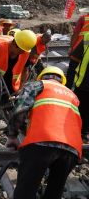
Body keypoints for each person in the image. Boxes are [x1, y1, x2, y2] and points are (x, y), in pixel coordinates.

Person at [6, 66, 82, 199]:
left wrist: (12, 135)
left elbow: (20, 110)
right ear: (61, 80)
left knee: (26, 190)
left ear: (42, 77)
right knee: (54, 191)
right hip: (72, 148)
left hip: (42, 142)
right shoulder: (72, 94)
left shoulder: (37, 85)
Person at [0, 30, 36, 143]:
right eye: (21, 50)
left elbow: (25, 70)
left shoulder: (24, 52)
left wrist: (21, 86)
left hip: (12, 84)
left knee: (11, 105)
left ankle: (13, 129)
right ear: (15, 44)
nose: (22, 53)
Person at [66, 7, 89, 89]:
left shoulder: (83, 18)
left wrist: (71, 48)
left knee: (71, 71)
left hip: (79, 49)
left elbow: (75, 34)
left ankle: (68, 89)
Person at [73, 32, 89, 142]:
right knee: (80, 112)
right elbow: (74, 59)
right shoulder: (87, 36)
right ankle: (82, 133)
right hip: (83, 85)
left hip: (83, 85)